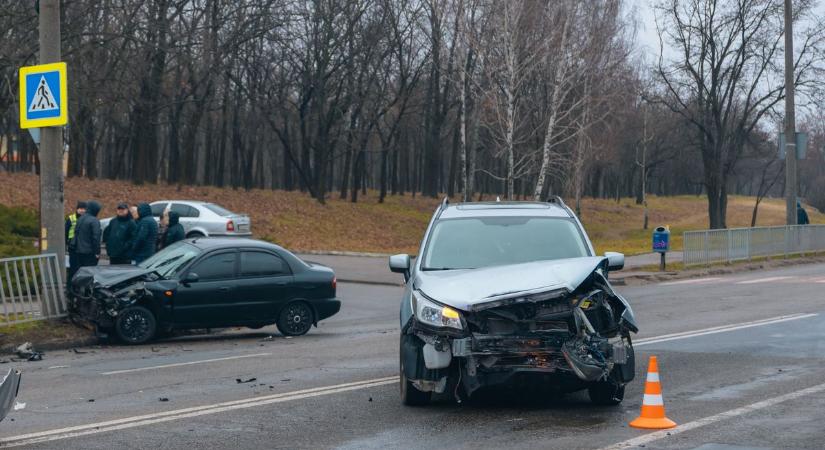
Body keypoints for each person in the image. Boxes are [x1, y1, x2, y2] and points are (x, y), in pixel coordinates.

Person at [71, 201, 102, 276]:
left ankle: (78, 287)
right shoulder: (94, 221)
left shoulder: (80, 218)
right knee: (89, 274)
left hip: (78, 251)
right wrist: (97, 252)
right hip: (89, 253)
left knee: (80, 273)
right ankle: (87, 287)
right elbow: (96, 238)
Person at [65, 201, 86, 275]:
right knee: (73, 267)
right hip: (72, 246)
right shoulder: (71, 218)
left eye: (84, 208)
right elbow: (66, 231)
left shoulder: (87, 219)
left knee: (81, 267)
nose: (82, 210)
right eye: (80, 208)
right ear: (77, 209)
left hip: (83, 246)